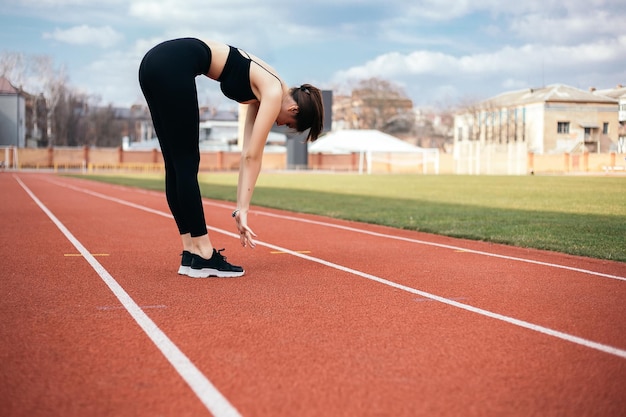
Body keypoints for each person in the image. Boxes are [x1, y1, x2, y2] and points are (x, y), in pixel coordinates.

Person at [139, 38, 324, 278]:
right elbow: (253, 156)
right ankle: (204, 254)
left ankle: (190, 252)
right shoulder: (273, 91)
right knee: (186, 164)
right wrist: (243, 210)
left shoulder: (265, 89)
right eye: (287, 123)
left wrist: (240, 208)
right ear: (294, 110)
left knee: (175, 165)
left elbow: (247, 151)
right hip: (172, 64)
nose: (279, 124)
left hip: (153, 63)